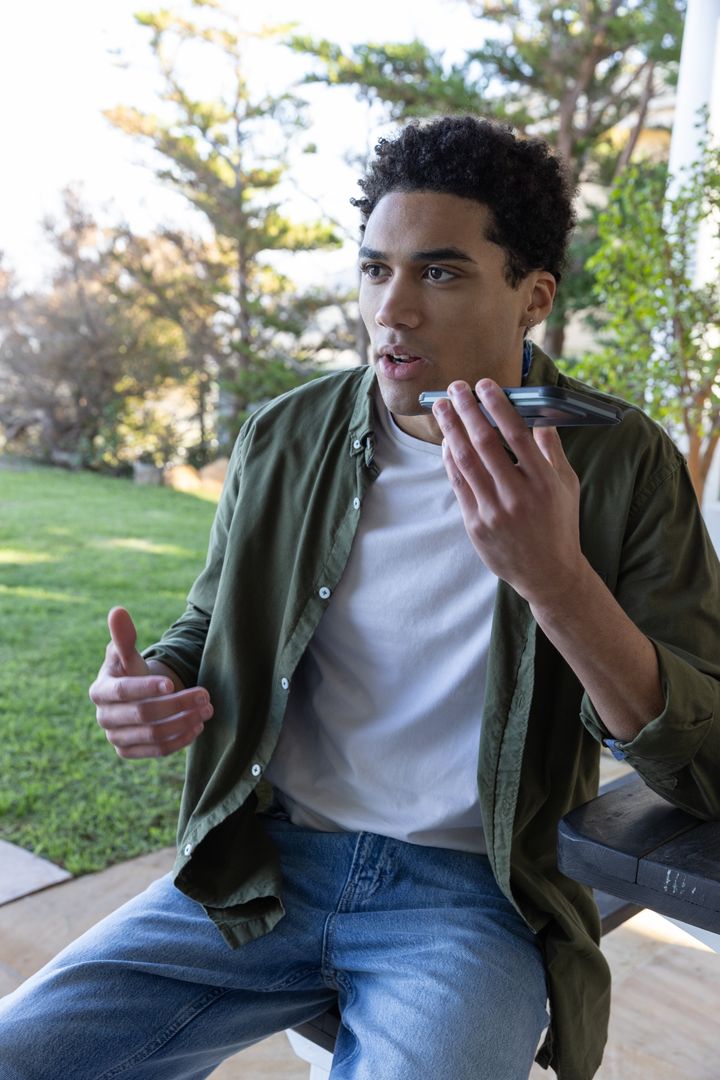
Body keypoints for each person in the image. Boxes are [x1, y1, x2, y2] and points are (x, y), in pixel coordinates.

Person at [1, 115, 719, 1080]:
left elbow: (703, 765)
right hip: (262, 870)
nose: (393, 310)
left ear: (534, 297)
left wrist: (555, 579)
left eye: (440, 271)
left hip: (474, 897)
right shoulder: (285, 434)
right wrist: (159, 683)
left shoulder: (621, 463)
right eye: (375, 269)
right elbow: (210, 623)